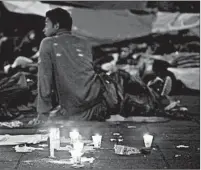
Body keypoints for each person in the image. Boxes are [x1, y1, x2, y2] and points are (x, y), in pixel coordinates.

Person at [29, 8, 174, 125]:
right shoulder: (84, 42)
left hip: (80, 105)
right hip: (95, 98)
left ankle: (156, 93)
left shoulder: (47, 43)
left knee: (122, 89)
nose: (43, 29)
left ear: (56, 26)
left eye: (46, 24)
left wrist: (43, 112)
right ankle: (157, 95)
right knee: (121, 81)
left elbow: (44, 80)